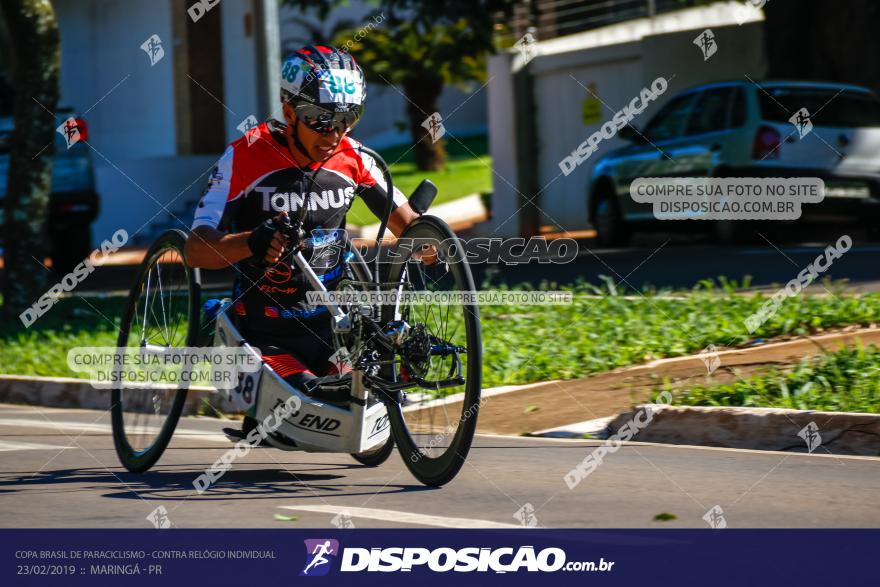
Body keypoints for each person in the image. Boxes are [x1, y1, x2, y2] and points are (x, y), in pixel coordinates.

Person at [184, 45, 420, 411]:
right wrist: (252, 241)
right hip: (266, 331)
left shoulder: (354, 157)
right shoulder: (245, 155)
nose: (334, 134)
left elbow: (412, 228)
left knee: (368, 392)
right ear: (289, 110)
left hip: (335, 330)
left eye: (347, 119)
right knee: (311, 394)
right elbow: (196, 250)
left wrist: (432, 242)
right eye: (320, 120)